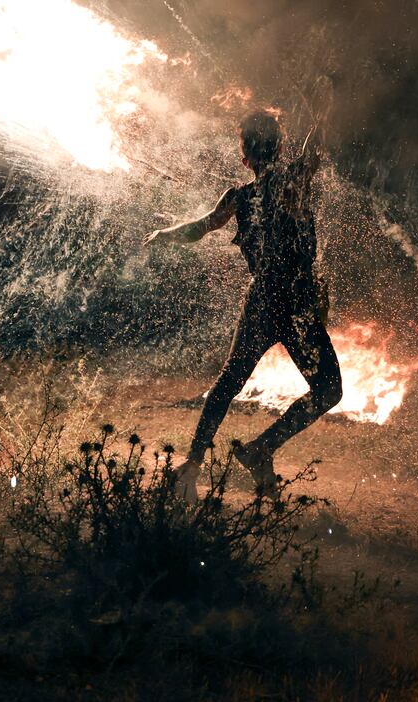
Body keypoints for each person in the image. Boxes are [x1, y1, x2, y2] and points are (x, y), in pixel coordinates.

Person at [145, 109, 341, 499]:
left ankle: (196, 461)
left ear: (244, 158)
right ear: (281, 147)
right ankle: (260, 449)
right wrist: (323, 109)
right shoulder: (292, 183)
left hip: (264, 301)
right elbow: (314, 151)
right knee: (328, 391)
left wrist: (163, 234)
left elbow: (200, 228)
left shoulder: (241, 196)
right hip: (294, 305)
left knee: (228, 383)